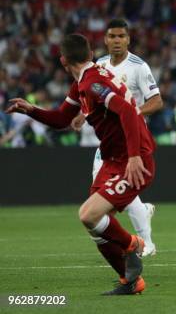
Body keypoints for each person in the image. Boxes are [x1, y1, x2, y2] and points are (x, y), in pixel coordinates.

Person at [6, 34, 156, 294]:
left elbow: (128, 111)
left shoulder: (93, 84)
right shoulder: (83, 83)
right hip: (112, 159)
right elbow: (62, 118)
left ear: (63, 60)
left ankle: (134, 244)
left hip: (133, 159)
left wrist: (133, 157)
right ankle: (130, 281)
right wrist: (31, 109)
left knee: (88, 214)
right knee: (95, 226)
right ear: (88, 53)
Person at [71, 18, 162, 257]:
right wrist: (82, 114)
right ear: (105, 39)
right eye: (112, 36)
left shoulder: (138, 67)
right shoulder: (99, 65)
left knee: (119, 188)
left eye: (121, 36)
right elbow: (92, 96)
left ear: (128, 39)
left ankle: (146, 243)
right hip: (108, 141)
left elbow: (157, 101)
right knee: (104, 192)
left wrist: (133, 111)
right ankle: (139, 221)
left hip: (131, 139)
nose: (117, 41)